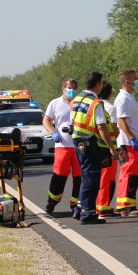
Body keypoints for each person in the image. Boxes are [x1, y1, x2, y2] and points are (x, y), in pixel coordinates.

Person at [70, 72, 119, 224]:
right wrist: (111, 148)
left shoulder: (77, 99)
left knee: (85, 177)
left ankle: (79, 209)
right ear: (98, 84)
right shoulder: (95, 102)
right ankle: (88, 214)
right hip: (91, 144)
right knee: (91, 179)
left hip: (78, 142)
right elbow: (101, 127)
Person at [43, 78, 82, 215]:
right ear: (63, 88)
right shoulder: (55, 103)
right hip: (62, 146)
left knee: (79, 178)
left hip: (79, 146)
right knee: (59, 176)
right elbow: (46, 119)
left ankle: (76, 205)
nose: (71, 90)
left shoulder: (80, 103)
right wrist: (53, 132)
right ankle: (52, 202)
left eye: (74, 88)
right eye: (69, 87)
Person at [114, 69, 138, 217]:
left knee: (130, 173)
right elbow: (121, 120)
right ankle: (127, 207)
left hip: (131, 142)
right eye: (135, 78)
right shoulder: (123, 99)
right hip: (127, 142)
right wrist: (131, 138)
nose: (137, 80)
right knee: (129, 174)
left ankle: (125, 205)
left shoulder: (130, 97)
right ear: (127, 81)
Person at [95, 82, 120, 218]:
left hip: (97, 147)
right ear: (109, 93)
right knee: (108, 179)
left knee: (99, 178)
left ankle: (98, 205)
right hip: (109, 148)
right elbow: (115, 130)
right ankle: (104, 207)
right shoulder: (110, 108)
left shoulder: (95, 105)